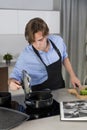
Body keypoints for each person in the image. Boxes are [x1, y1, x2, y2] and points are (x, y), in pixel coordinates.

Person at [8, 17, 81, 91]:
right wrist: (12, 82)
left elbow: (64, 57)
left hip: (59, 90)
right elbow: (14, 76)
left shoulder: (58, 41)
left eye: (40, 40)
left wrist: (73, 76)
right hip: (38, 96)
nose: (37, 45)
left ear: (47, 34)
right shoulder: (26, 55)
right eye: (33, 41)